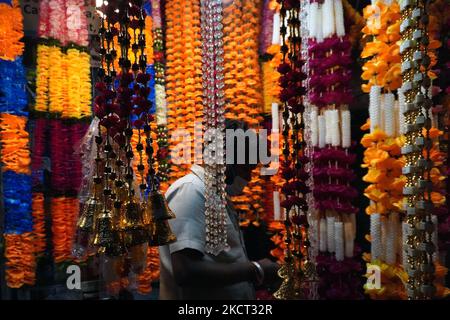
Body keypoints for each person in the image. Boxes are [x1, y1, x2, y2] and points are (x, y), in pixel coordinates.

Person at [159, 120, 280, 300]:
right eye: (246, 168)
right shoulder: (190, 191)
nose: (248, 178)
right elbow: (186, 270)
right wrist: (256, 269)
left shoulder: (215, 195)